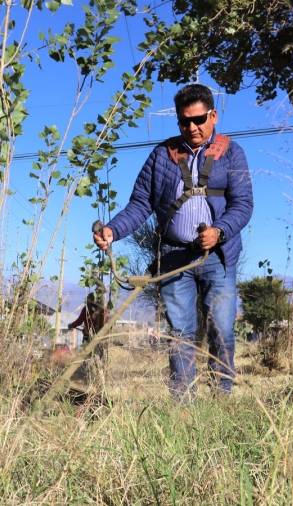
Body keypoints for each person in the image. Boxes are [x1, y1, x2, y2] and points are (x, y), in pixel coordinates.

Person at [92, 84, 253, 399]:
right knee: (179, 334)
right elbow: (140, 204)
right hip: (174, 257)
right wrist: (113, 230)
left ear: (214, 115)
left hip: (218, 259)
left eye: (199, 119)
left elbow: (243, 205)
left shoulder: (232, 152)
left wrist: (219, 231)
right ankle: (183, 402)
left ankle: (223, 395)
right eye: (184, 122)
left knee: (220, 330)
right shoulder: (161, 155)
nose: (192, 127)